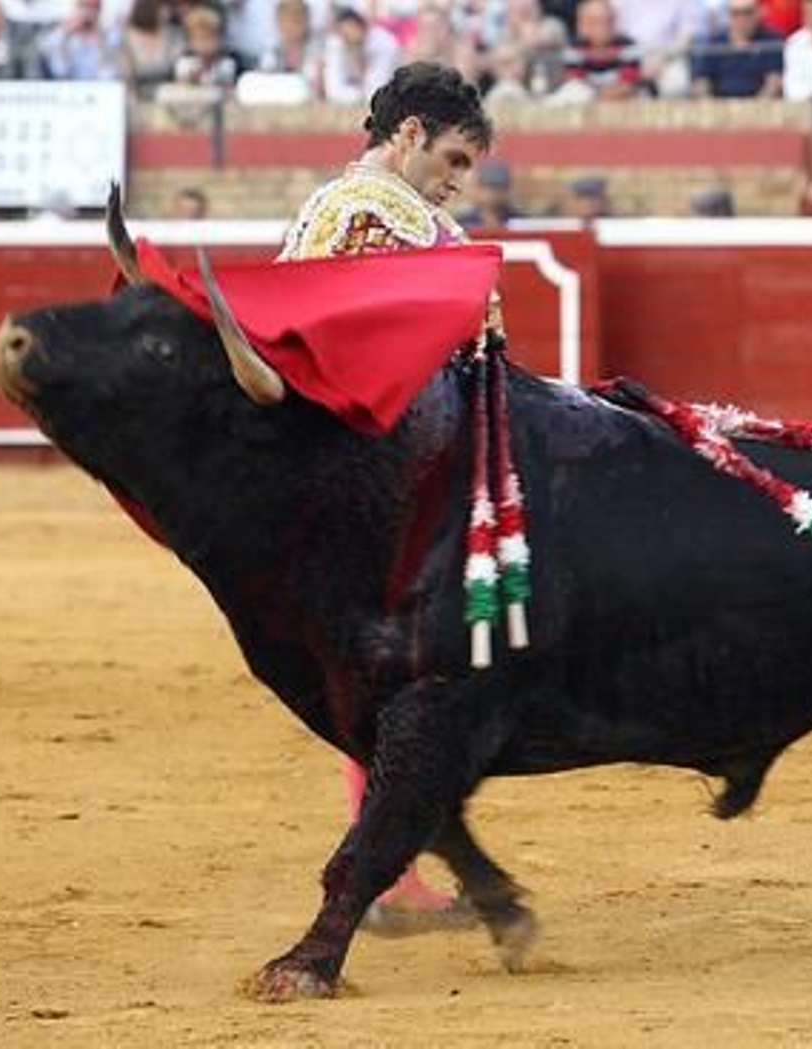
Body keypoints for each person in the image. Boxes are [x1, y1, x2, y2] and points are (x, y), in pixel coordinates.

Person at [277, 62, 498, 931]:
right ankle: (388, 874)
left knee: (397, 679)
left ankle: (394, 868)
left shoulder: (366, 208)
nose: (453, 181)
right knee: (404, 678)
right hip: (377, 482)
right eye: (448, 158)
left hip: (373, 478)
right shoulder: (368, 212)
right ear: (406, 133)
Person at [691, 0, 786, 98]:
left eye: (748, 12)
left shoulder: (770, 41)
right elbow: (701, 80)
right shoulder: (715, 42)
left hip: (759, 106)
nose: (742, 18)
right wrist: (710, 105)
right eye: (736, 13)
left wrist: (756, 107)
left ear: (757, 13)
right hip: (720, 105)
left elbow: (774, 81)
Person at [457, 157, 523, 231]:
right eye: (489, 186)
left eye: (500, 187)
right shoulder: (462, 222)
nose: (494, 194)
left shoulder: (521, 220)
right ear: (477, 187)